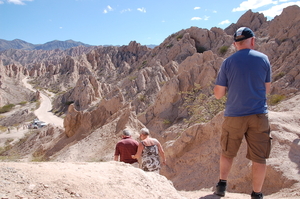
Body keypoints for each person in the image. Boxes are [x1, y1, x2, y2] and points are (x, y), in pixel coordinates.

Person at [213, 27, 272, 199]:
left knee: (227, 152)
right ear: (252, 41)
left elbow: (218, 94)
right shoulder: (264, 59)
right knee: (259, 157)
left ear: (235, 44)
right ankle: (257, 194)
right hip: (259, 115)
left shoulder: (228, 62)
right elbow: (267, 90)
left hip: (234, 115)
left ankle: (222, 186)